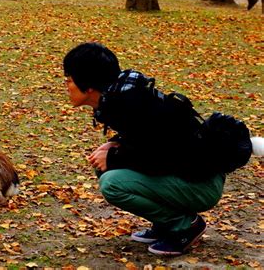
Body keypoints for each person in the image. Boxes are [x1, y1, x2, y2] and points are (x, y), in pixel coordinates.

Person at [63, 42, 225, 256]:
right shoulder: (123, 98)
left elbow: (158, 157)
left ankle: (185, 225)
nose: (67, 86)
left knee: (111, 183)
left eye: (70, 81)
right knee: (104, 165)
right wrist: (116, 143)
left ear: (89, 86)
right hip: (189, 176)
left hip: (201, 184)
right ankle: (165, 223)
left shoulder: (129, 105)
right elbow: (148, 140)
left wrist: (113, 158)